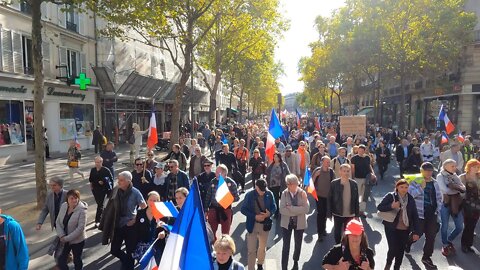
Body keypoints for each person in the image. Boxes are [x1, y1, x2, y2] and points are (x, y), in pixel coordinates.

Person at [100, 171, 147, 270]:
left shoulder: (135, 192)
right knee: (114, 250)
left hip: (130, 226)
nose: (118, 182)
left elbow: (144, 208)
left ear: (128, 181)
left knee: (130, 251)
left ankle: (128, 266)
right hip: (117, 224)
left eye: (121, 180)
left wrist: (135, 218)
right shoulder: (116, 190)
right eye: (118, 179)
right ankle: (126, 262)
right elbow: (109, 205)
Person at [406, 162, 442, 269]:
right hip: (419, 213)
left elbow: (439, 197)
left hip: (432, 213)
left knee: (431, 236)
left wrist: (438, 210)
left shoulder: (435, 182)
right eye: (426, 170)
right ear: (421, 171)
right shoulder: (415, 181)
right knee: (418, 234)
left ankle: (426, 257)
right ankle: (408, 242)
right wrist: (421, 188)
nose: (429, 172)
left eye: (430, 170)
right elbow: (410, 195)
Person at [377, 180, 419, 270]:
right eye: (402, 187)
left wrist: (416, 232)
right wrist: (391, 206)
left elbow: (415, 215)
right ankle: (388, 265)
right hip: (391, 227)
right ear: (397, 187)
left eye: (406, 187)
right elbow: (380, 207)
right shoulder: (391, 196)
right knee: (392, 248)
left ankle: (397, 267)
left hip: (405, 229)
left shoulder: (410, 199)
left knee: (400, 250)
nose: (404, 189)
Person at [241, 179, 276, 270]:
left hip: (264, 225)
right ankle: (251, 268)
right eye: (261, 190)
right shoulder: (249, 195)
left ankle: (260, 264)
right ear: (256, 187)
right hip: (252, 225)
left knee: (262, 247)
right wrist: (254, 216)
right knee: (251, 250)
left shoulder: (269, 194)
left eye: (264, 190)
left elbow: (274, 206)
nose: (263, 192)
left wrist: (269, 214)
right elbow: (243, 209)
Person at [279, 174, 309, 270]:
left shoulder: (302, 193)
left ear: (295, 184)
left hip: (299, 224)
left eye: (289, 184)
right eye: (287, 184)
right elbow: (282, 210)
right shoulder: (284, 193)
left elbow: (306, 209)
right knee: (286, 246)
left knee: (298, 245)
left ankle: (295, 260)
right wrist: (298, 210)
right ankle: (284, 267)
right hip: (286, 224)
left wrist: (291, 208)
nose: (287, 185)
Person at [436, 159, 465, 256]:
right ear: (445, 167)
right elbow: (445, 190)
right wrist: (457, 189)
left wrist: (456, 188)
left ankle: (449, 240)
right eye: (452, 166)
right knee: (444, 226)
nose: (455, 168)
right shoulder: (440, 176)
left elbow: (464, 188)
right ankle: (445, 244)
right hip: (445, 204)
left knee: (460, 226)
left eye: (455, 165)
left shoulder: (455, 175)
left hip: (456, 204)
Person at [55, 189, 88, 270]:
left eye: (76, 198)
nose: (74, 200)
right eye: (71, 198)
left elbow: (80, 228)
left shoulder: (82, 210)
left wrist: (66, 238)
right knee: (61, 260)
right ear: (67, 199)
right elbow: (58, 222)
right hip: (64, 238)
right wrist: (62, 235)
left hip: (77, 240)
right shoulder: (64, 206)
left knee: (77, 260)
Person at [204, 164, 240, 238]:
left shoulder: (231, 183)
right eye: (216, 172)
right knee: (211, 232)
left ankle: (224, 247)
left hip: (226, 210)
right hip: (213, 209)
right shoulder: (213, 182)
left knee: (225, 233)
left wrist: (227, 199)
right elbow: (208, 196)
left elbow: (236, 197)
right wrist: (205, 209)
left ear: (224, 173)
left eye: (218, 172)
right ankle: (213, 246)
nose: (216, 174)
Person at [328, 164, 359, 244]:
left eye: (348, 171)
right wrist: (329, 213)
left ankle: (346, 248)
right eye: (344, 171)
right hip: (338, 213)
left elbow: (356, 200)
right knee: (337, 232)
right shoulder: (334, 183)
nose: (346, 173)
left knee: (348, 232)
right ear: (340, 172)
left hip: (350, 214)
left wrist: (357, 215)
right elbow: (329, 199)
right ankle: (337, 246)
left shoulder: (354, 184)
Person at [132, 191, 167, 262]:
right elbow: (135, 231)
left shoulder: (163, 214)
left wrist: (164, 232)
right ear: (146, 200)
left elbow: (167, 228)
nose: (152, 202)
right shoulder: (140, 213)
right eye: (150, 200)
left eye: (155, 201)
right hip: (142, 248)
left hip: (157, 247)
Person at [312, 156, 335, 241]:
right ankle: (320, 233)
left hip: (328, 197)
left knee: (325, 213)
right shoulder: (317, 171)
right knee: (320, 214)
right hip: (319, 196)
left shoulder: (331, 172)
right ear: (322, 162)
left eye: (329, 162)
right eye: (326, 162)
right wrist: (315, 176)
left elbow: (334, 183)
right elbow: (310, 183)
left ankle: (324, 229)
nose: (328, 164)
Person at [459, 159, 480, 253]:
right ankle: (464, 244)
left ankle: (469, 244)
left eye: (478, 167)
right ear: (470, 167)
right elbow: (459, 191)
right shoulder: (463, 177)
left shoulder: (479, 176)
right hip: (466, 204)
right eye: (475, 167)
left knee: (473, 225)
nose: (477, 169)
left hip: (477, 204)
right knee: (468, 225)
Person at [350, 145, 376, 216]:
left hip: (366, 179)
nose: (361, 152)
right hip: (357, 178)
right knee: (357, 195)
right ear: (357, 150)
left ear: (364, 151)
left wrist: (373, 173)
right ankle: (355, 210)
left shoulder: (367, 157)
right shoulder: (354, 158)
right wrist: (352, 178)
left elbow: (369, 166)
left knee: (365, 195)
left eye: (362, 151)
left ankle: (362, 210)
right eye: (359, 150)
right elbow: (353, 169)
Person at [89, 156, 114, 226]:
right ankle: (103, 214)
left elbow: (111, 180)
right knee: (99, 204)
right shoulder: (93, 170)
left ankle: (97, 220)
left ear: (101, 162)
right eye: (96, 162)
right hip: (95, 189)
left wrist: (104, 182)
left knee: (100, 204)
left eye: (99, 162)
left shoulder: (106, 170)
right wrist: (91, 186)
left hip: (103, 189)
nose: (97, 164)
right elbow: (90, 179)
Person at [265, 152, 290, 218]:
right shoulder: (272, 164)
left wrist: (288, 180)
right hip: (273, 185)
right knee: (275, 199)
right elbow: (267, 172)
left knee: (282, 199)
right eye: (274, 157)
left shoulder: (283, 164)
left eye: (276, 157)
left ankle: (283, 212)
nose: (275, 158)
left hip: (282, 184)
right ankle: (276, 213)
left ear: (279, 158)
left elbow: (288, 173)